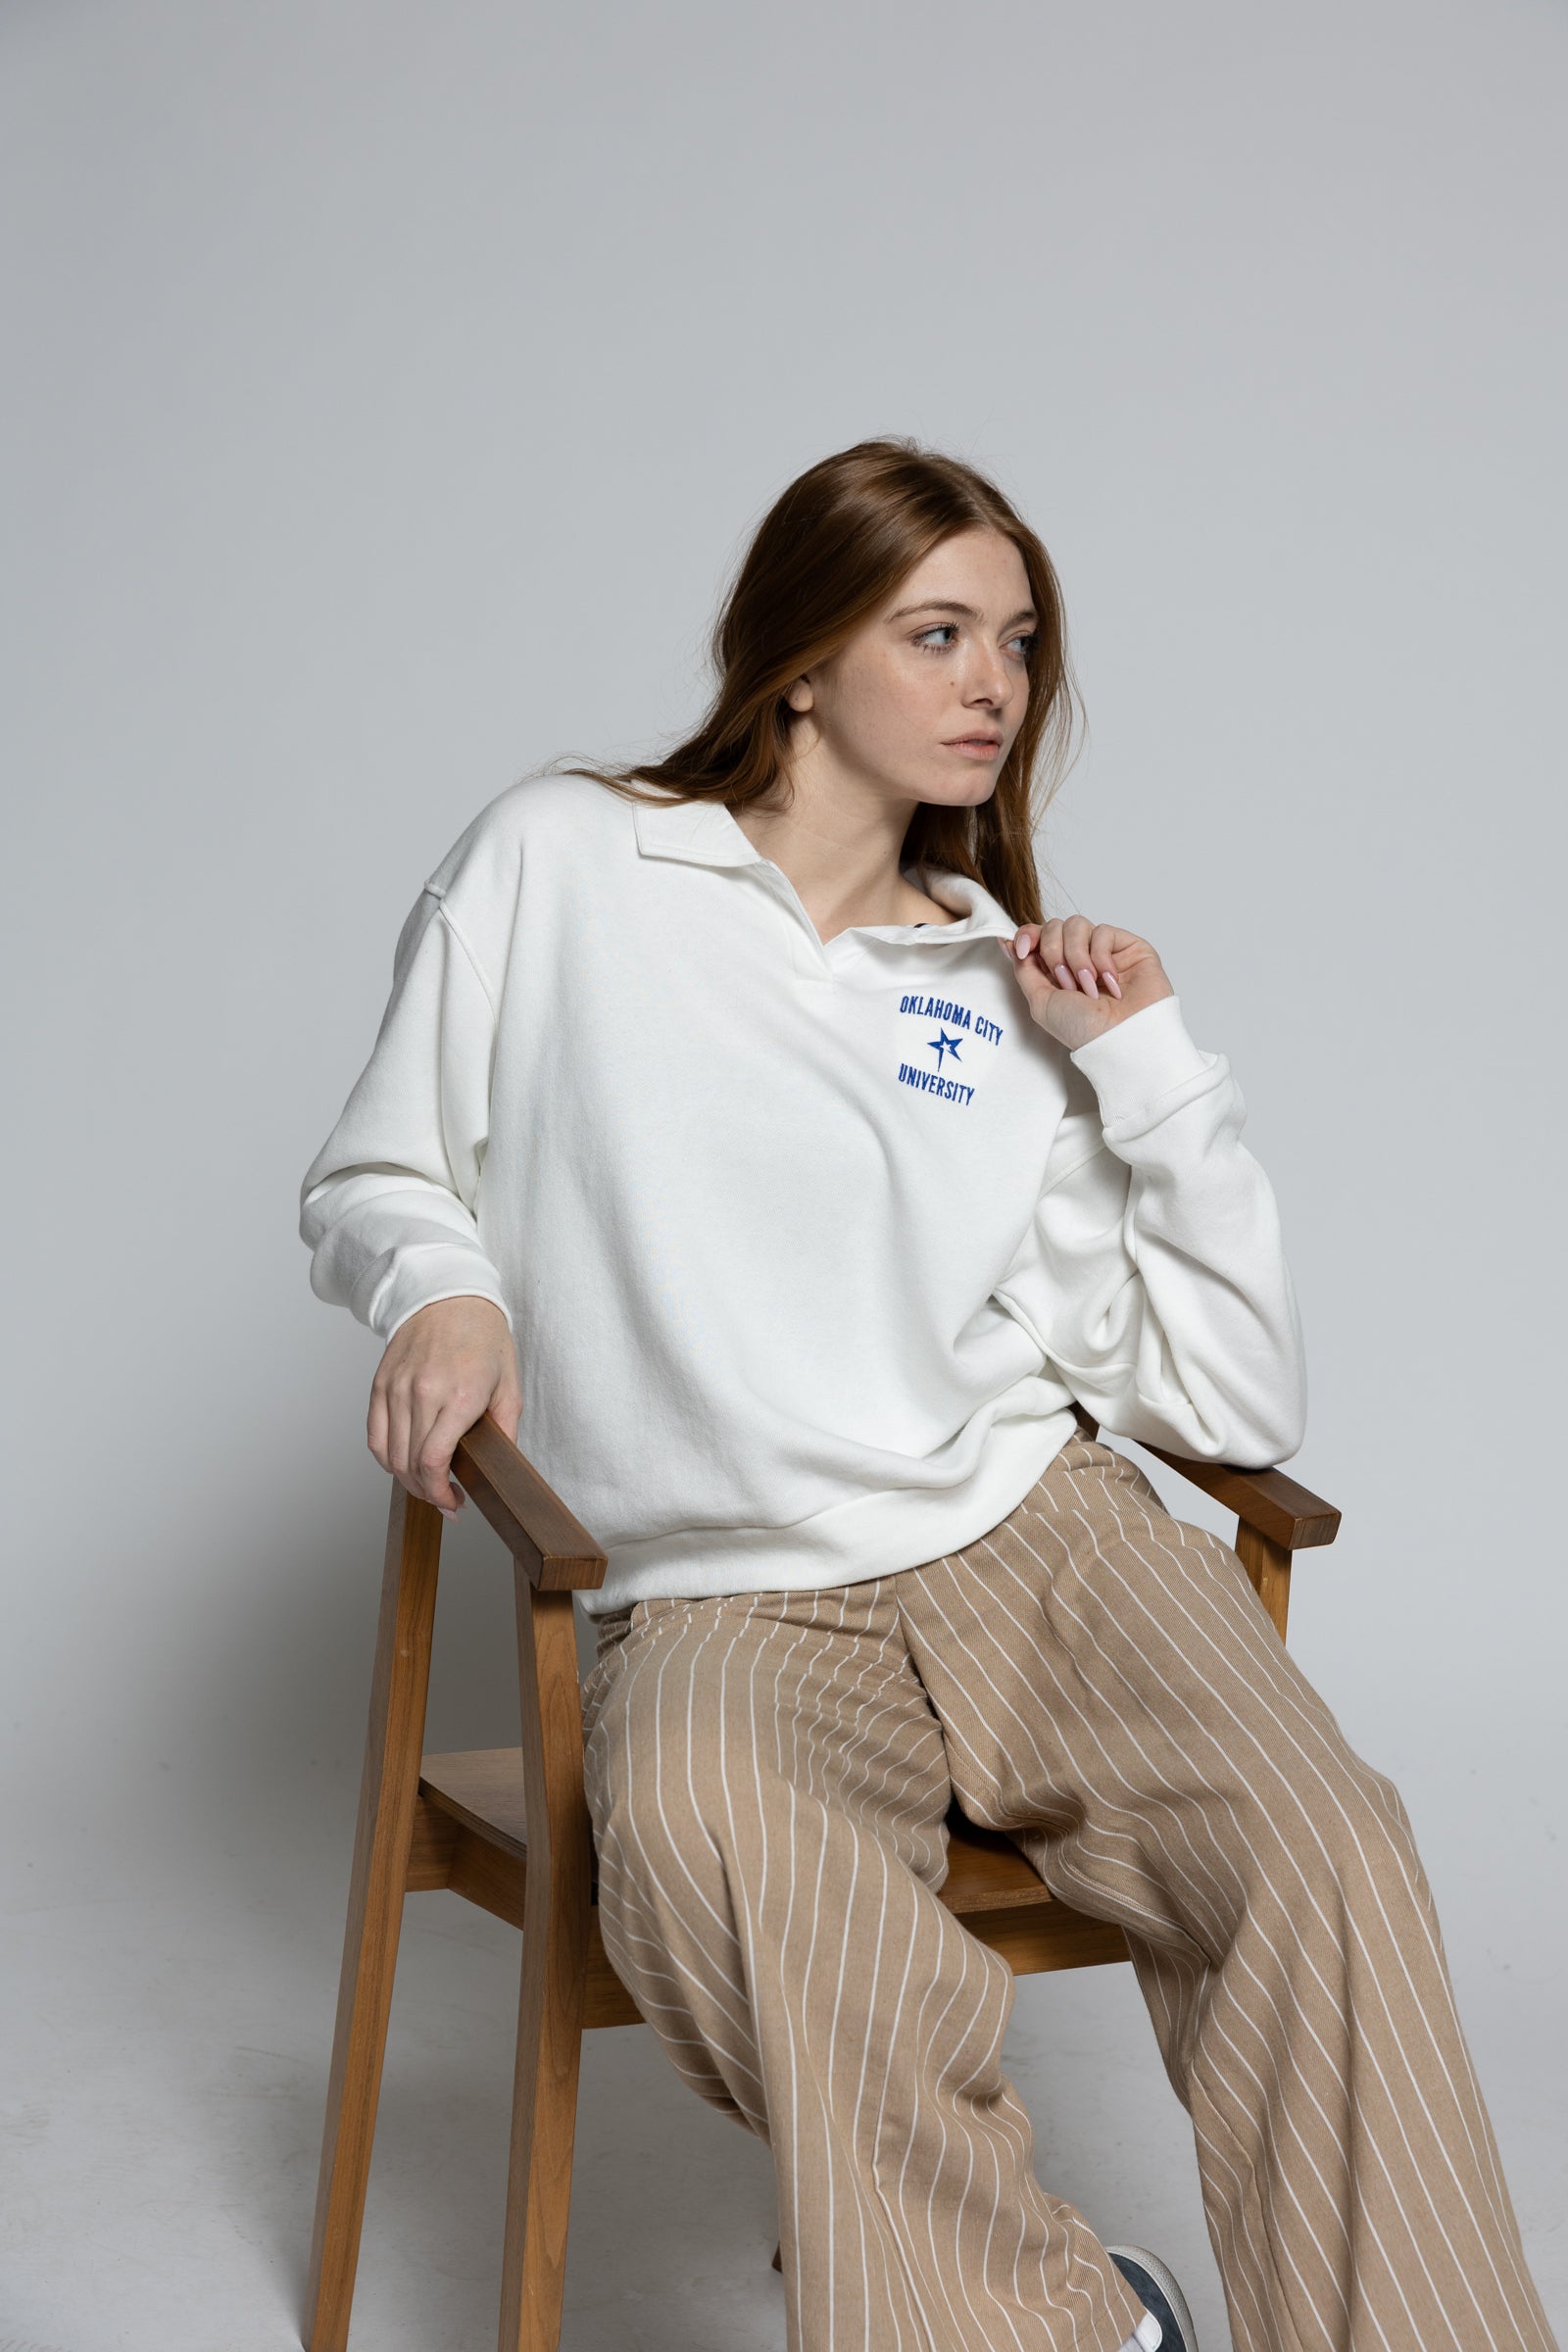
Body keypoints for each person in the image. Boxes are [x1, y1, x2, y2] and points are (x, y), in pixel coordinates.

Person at [299, 440, 1553, 2352]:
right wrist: (444, 1290)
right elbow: (382, 1172)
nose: (994, 685)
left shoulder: (994, 979)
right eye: (938, 631)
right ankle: (1053, 2324)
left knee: (1327, 1849)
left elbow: (1228, 1389)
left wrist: (1144, 1067)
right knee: (737, 1860)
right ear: (799, 656)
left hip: (1034, 1545)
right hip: (716, 1585)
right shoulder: (567, 858)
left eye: (1018, 642)